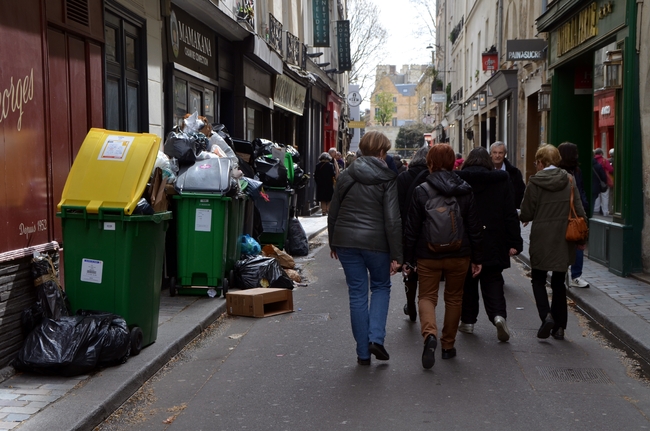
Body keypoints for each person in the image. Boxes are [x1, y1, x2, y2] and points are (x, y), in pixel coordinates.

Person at [403, 144, 483, 369]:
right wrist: (478, 257)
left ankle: (430, 335)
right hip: (460, 253)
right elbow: (474, 227)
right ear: (451, 163)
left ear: (430, 162)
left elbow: (411, 229)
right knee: (454, 297)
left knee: (427, 296)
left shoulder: (421, 190)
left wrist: (408, 259)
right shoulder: (465, 189)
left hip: (428, 253)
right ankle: (448, 346)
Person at [328, 131, 402, 365]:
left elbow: (333, 211)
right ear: (381, 152)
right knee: (380, 287)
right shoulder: (388, 177)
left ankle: (362, 353)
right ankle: (376, 339)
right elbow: (392, 219)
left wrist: (333, 241)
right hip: (377, 243)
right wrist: (397, 255)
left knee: (357, 293)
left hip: (347, 241)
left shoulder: (346, 175)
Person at [520, 144, 587, 341]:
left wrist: (523, 215)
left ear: (541, 162)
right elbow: (579, 211)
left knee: (538, 279)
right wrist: (582, 239)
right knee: (559, 282)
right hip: (563, 238)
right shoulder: (569, 179)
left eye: (536, 162)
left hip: (542, 237)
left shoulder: (535, 182)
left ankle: (546, 316)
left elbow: (526, 213)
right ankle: (559, 327)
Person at [455, 147, 522, 342]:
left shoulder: (459, 180)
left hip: (467, 239)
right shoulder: (501, 180)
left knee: (468, 282)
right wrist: (514, 242)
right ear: (488, 161)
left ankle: (467, 321)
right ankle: (498, 316)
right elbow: (510, 214)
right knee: (493, 280)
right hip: (494, 239)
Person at [396, 145, 430, 322]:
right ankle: (423, 304)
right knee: (425, 269)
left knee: (409, 269)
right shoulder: (433, 177)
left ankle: (410, 304)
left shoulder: (403, 178)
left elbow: (398, 208)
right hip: (428, 230)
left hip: (407, 230)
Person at [557, 142, 590, 289]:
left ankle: (576, 275)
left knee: (577, 239)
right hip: (561, 211)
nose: (577, 154)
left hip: (575, 211)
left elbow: (581, 189)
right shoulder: (558, 171)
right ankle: (561, 274)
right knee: (561, 243)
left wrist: (584, 205)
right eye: (575, 152)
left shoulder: (577, 170)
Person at [490, 141, 526, 208]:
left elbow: (521, 193)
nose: (497, 156)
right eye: (495, 152)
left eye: (500, 153)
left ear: (505, 154)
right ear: (491, 154)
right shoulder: (486, 172)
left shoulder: (514, 173)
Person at [594, 148, 613, 216]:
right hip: (603, 181)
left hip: (595, 181)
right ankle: (605, 212)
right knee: (605, 196)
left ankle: (596, 210)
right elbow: (611, 169)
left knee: (597, 196)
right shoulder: (604, 160)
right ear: (601, 154)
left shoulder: (593, 160)